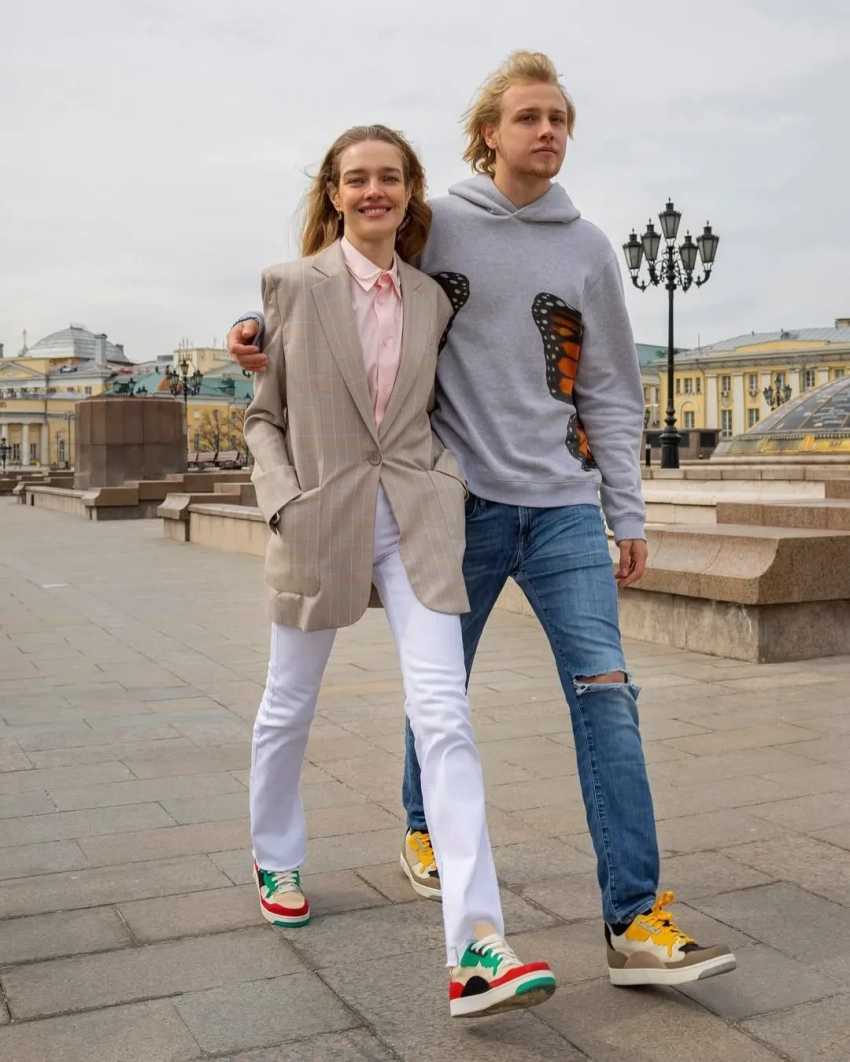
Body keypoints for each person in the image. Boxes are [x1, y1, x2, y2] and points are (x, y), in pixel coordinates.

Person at [228, 54, 736, 989]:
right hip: (455, 504)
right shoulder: (438, 225)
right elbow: (339, 294)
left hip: (564, 506)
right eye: (529, 117)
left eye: (559, 118)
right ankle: (419, 826)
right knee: (437, 696)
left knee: (606, 694)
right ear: (488, 134)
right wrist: (256, 337)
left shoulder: (589, 248)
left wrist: (625, 509)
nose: (548, 131)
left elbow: (613, 390)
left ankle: (632, 922)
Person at [243, 122, 556, 1018]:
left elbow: (431, 412)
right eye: (357, 179)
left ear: (411, 190)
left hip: (415, 521)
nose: (373, 191)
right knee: (289, 702)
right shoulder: (292, 285)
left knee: (444, 715)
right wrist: (283, 499)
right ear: (334, 193)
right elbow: (263, 414)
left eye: (389, 177)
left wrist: (445, 485)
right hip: (318, 519)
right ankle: (275, 854)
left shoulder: (429, 298)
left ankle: (477, 947)